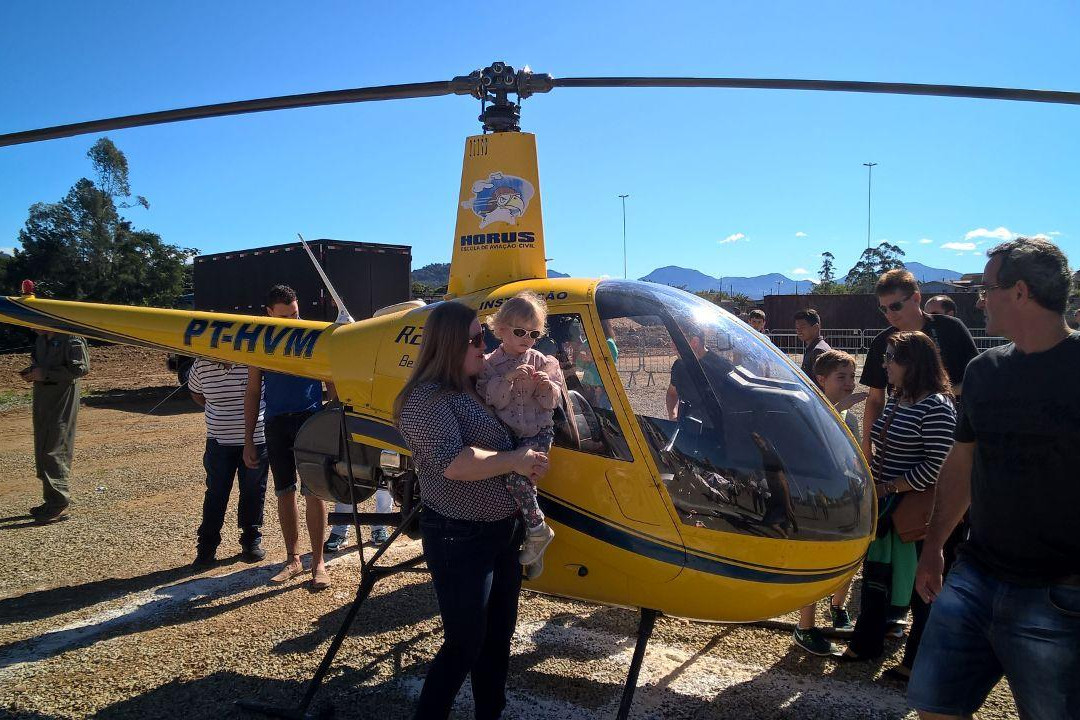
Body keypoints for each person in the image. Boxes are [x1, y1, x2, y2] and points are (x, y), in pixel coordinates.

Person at [910, 237, 1080, 720]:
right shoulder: (984, 371)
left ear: (1021, 292)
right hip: (975, 578)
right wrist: (933, 547)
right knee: (934, 706)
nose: (979, 300)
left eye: (987, 289)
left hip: (1061, 593)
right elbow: (961, 465)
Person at [395, 301, 549, 720]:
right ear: (449, 345)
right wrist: (516, 460)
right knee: (465, 641)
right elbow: (455, 463)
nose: (486, 346)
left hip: (502, 530)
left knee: (497, 638)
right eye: (477, 339)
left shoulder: (473, 386)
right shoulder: (425, 399)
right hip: (458, 536)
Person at [841, 331, 956, 663]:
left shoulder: (935, 405)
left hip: (915, 514)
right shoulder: (899, 396)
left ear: (913, 364)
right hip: (888, 508)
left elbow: (939, 466)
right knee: (877, 578)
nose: (884, 365)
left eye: (891, 358)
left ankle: (917, 662)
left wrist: (890, 487)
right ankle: (866, 644)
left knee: (922, 590)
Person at [243, 285, 334, 590]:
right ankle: (293, 558)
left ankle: (318, 562)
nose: (292, 320)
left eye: (295, 313)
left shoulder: (314, 336)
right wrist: (248, 440)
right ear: (269, 313)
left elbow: (331, 379)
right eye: (284, 316)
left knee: (315, 491)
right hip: (276, 423)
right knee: (284, 490)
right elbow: (253, 392)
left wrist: (335, 421)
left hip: (311, 420)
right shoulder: (259, 344)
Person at [477, 291, 563, 579]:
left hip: (538, 433)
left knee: (517, 477)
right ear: (501, 330)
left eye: (534, 333)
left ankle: (538, 530)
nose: (527, 338)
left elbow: (553, 403)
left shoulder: (543, 361)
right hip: (507, 435)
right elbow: (491, 399)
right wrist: (509, 379)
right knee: (519, 486)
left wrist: (545, 385)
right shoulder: (490, 364)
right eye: (519, 331)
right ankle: (534, 544)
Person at [791, 350, 865, 655]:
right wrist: (839, 408)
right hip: (815, 499)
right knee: (814, 561)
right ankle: (804, 626)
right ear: (821, 380)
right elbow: (808, 443)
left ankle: (838, 606)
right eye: (841, 377)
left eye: (852, 377)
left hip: (843, 495)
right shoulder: (809, 406)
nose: (849, 383)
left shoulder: (851, 416)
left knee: (849, 556)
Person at [860, 270, 976, 462]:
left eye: (895, 306)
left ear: (916, 298)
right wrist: (866, 443)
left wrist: (927, 398)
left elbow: (975, 380)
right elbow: (875, 399)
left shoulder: (950, 328)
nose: (889, 314)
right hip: (904, 439)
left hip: (954, 434)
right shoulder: (882, 341)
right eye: (883, 309)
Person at [188, 358, 268, 566]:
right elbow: (196, 393)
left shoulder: (252, 361)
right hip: (219, 441)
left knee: (253, 490)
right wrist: (219, 413)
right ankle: (207, 546)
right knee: (216, 493)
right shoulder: (201, 364)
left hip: (256, 438)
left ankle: (251, 540)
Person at [20, 330, 89, 523]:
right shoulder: (41, 340)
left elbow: (81, 369)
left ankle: (59, 502)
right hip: (43, 400)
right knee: (43, 447)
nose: (31, 327)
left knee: (55, 448)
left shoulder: (71, 337)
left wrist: (45, 374)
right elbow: (40, 364)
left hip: (62, 399)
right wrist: (33, 373)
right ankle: (51, 500)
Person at [666, 327, 734, 422]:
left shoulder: (723, 368)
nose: (672, 346)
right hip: (687, 429)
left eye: (675, 342)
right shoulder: (679, 365)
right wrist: (673, 415)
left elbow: (735, 406)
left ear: (695, 342)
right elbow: (672, 393)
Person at [794, 308, 830, 378]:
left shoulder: (818, 351)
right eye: (797, 328)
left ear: (816, 327)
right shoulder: (812, 348)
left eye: (802, 327)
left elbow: (820, 383)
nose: (799, 331)